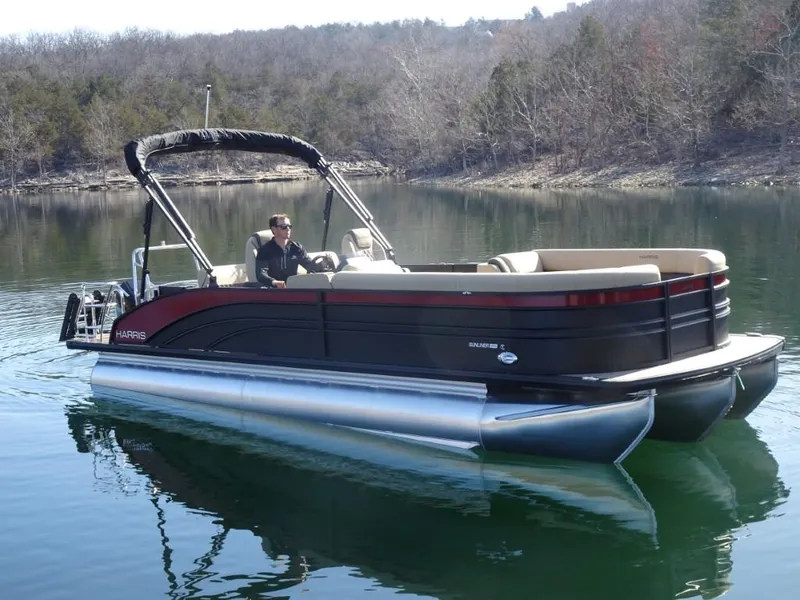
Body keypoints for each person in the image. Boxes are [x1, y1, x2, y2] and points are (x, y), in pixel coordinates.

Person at [255, 213, 332, 288]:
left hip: (292, 288)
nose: (288, 229)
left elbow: (309, 265)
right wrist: (274, 282)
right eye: (283, 227)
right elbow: (261, 274)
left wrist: (321, 267)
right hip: (273, 290)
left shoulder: (296, 248)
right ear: (274, 229)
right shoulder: (265, 250)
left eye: (289, 226)